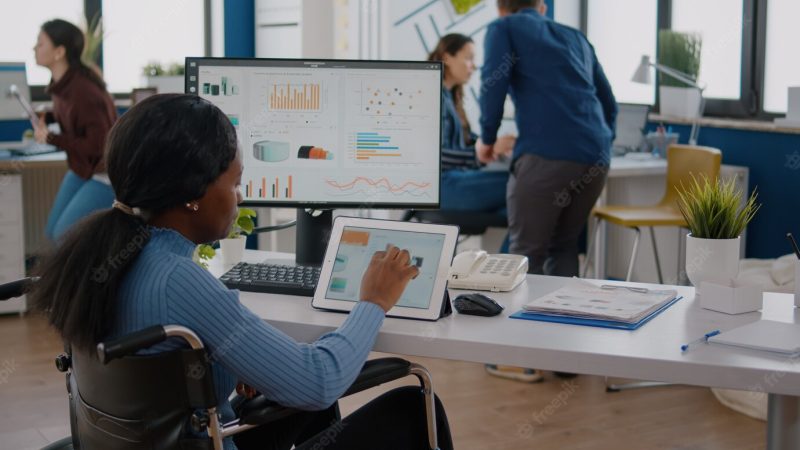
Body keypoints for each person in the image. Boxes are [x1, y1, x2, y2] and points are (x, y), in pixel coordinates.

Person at [30, 94, 453, 450]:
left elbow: (154, 382)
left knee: (304, 396)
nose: (240, 197)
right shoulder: (177, 280)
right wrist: (373, 302)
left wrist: (231, 370)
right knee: (415, 407)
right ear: (194, 194)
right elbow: (319, 381)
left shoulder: (99, 255)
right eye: (235, 183)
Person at [477, 0, 617, 383]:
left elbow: (493, 85)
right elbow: (608, 102)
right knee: (564, 246)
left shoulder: (502, 30)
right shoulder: (576, 37)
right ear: (541, 6)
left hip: (545, 157)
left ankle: (524, 357)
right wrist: (599, 146)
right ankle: (564, 359)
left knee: (526, 253)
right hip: (594, 156)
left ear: (499, 7)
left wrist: (486, 139)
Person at [33, 19, 117, 240]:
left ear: (59, 52)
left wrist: (51, 138)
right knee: (52, 233)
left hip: (105, 173)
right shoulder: (63, 84)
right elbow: (71, 114)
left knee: (63, 237)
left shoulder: (82, 90)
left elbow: (97, 146)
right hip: (83, 168)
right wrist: (47, 117)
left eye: (40, 43)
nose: (34, 48)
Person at [427, 33, 515, 214]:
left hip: (455, 179)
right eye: (468, 58)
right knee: (525, 184)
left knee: (520, 192)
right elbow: (434, 157)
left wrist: (492, 145)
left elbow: (466, 140)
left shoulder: (450, 97)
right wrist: (480, 155)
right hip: (441, 186)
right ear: (446, 58)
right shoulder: (433, 96)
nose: (473, 66)